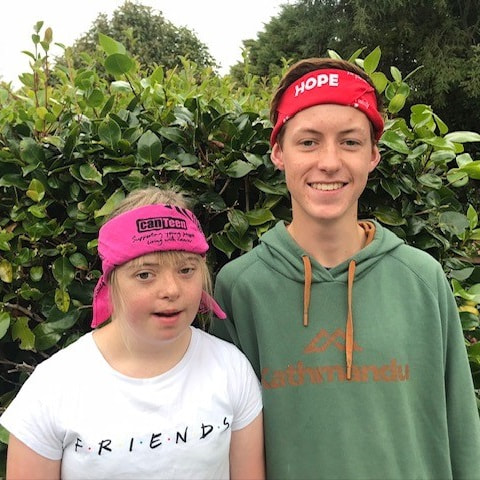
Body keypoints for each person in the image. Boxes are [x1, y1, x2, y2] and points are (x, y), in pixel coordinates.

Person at [212, 58, 480, 479]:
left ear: (374, 154)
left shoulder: (422, 278)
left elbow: (463, 431)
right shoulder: (240, 288)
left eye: (350, 142)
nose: (330, 162)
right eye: (308, 142)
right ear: (278, 151)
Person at [1, 187, 265, 480]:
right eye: (145, 274)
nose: (171, 290)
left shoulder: (231, 370)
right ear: (111, 281)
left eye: (186, 270)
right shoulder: (53, 389)